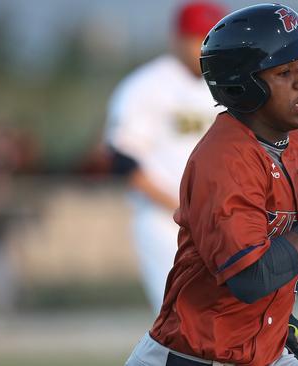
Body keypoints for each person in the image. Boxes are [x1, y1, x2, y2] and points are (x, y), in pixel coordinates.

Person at [124, 4, 298, 366]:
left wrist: (271, 318)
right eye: (284, 71)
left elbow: (271, 255)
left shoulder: (295, 147)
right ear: (243, 85)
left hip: (258, 353)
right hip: (192, 358)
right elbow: (251, 278)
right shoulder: (225, 159)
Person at [105, 1, 227, 314]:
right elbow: (123, 160)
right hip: (165, 222)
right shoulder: (147, 86)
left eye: (215, 36)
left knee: (228, 320)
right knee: (184, 317)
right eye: (200, 37)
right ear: (178, 39)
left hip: (222, 220)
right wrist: (181, 206)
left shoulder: (230, 85)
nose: (207, 45)